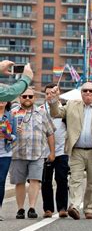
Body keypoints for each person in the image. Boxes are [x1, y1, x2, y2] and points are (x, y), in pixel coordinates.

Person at [48, 82, 92, 220]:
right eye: (85, 91)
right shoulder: (71, 105)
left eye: (91, 91)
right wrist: (53, 100)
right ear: (81, 93)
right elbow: (55, 113)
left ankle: (89, 208)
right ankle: (75, 206)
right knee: (75, 180)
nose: (88, 93)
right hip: (76, 150)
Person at [11, 87, 55, 219]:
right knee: (19, 182)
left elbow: (50, 133)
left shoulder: (41, 113)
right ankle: (20, 209)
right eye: (24, 96)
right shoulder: (13, 113)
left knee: (35, 180)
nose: (27, 99)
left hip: (37, 153)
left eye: (30, 96)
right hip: (17, 153)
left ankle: (32, 207)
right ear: (20, 98)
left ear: (34, 98)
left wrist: (52, 152)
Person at [41, 84, 69, 218]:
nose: (49, 96)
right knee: (46, 181)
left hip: (62, 151)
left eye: (52, 93)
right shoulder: (40, 110)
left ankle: (62, 207)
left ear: (58, 94)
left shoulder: (64, 110)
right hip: (44, 152)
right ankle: (48, 208)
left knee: (61, 179)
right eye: (47, 94)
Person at [0, 100, 16, 220]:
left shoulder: (10, 116)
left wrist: (9, 136)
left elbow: (15, 135)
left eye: (4, 98)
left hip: (5, 153)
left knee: (1, 181)